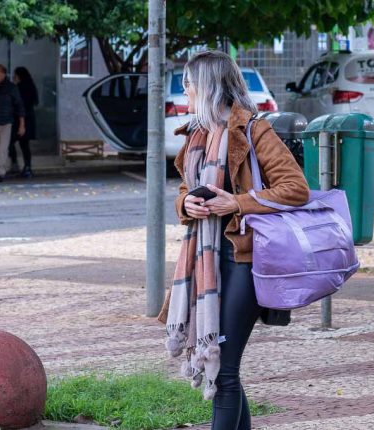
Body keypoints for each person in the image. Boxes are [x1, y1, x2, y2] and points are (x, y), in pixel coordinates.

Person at [160, 51, 310, 429]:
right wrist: (186, 203)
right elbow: (184, 189)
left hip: (244, 259)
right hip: (205, 261)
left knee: (221, 369)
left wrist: (237, 202)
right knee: (225, 371)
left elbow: (296, 189)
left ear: (208, 86)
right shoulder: (199, 133)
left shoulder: (254, 130)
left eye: (189, 84)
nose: (185, 92)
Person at [8, 67, 39, 178]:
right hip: (27, 119)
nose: (14, 77)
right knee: (24, 144)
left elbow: (19, 105)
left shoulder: (19, 89)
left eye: (15, 75)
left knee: (12, 142)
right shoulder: (30, 87)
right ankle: (27, 167)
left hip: (21, 119)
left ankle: (17, 164)